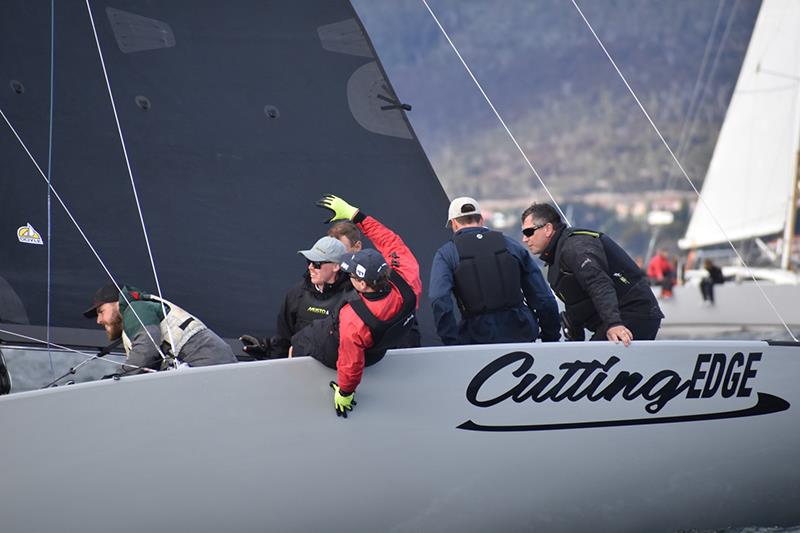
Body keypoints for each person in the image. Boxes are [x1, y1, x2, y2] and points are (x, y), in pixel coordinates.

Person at [293, 194, 421, 418]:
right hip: (383, 346)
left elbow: (350, 364)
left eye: (350, 273)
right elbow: (390, 240)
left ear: (361, 283)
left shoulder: (353, 317)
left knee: (300, 340)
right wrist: (357, 216)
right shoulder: (408, 279)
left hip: (365, 355)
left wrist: (345, 392)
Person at [520, 203, 664, 346]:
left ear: (548, 229)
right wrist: (575, 339)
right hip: (617, 318)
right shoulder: (556, 256)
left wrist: (614, 324)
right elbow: (575, 299)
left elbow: (599, 283)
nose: (525, 239)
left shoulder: (575, 247)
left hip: (633, 315)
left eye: (528, 232)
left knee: (594, 362)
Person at [429, 196, 559, 345]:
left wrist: (450, 341)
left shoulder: (446, 253)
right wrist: (551, 337)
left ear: (454, 224)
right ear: (481, 220)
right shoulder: (511, 246)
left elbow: (439, 297)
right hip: (521, 334)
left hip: (475, 338)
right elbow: (543, 297)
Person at [84, 283, 237, 374]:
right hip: (210, 362)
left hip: (207, 360)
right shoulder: (136, 316)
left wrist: (119, 377)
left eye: (101, 312)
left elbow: (147, 346)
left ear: (116, 303)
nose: (99, 320)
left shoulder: (136, 308)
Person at [240, 236, 353, 358]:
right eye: (309, 262)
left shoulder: (352, 298)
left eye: (317, 264)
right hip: (298, 369)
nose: (310, 267)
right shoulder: (297, 293)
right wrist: (267, 349)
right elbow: (284, 339)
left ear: (336, 267)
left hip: (336, 372)